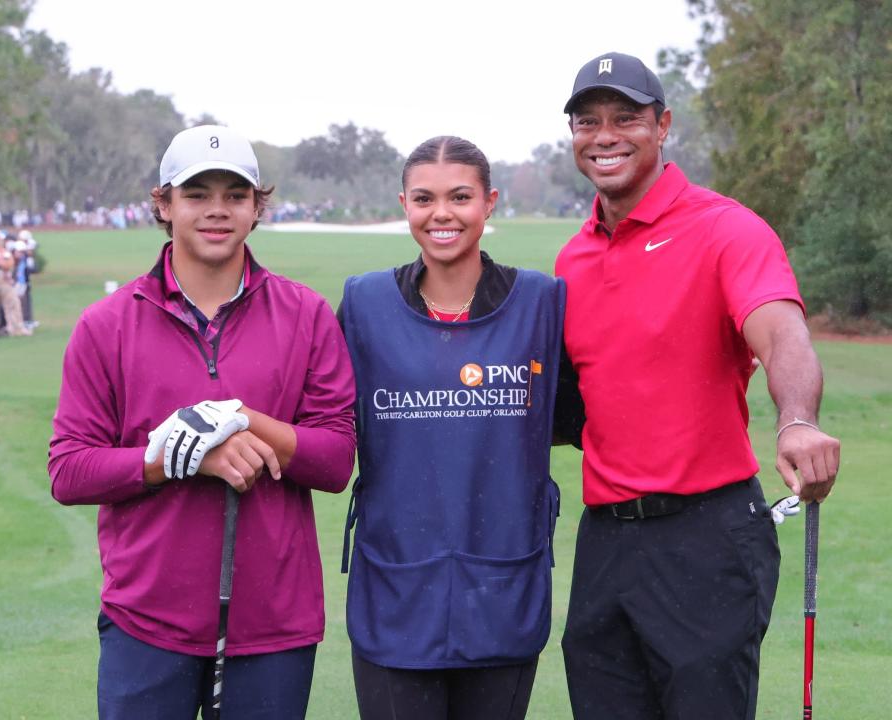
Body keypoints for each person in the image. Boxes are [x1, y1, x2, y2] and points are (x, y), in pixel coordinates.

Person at [553, 52, 841, 720]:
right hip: (605, 542)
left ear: (663, 126)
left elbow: (781, 332)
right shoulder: (573, 258)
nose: (605, 135)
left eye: (625, 118)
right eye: (587, 121)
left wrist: (796, 418)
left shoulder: (726, 229)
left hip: (707, 538)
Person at [48, 124, 356, 720]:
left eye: (236, 195)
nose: (217, 211)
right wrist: (176, 458)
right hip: (146, 621)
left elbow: (335, 460)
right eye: (196, 194)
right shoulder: (107, 324)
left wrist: (244, 420)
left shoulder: (306, 314)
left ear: (256, 207)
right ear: (163, 204)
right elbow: (69, 470)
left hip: (273, 625)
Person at [339, 136, 573, 719]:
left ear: (489, 202)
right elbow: (324, 423)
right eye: (424, 198)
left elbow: (581, 415)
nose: (442, 213)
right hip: (395, 592)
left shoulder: (542, 303)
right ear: (404, 204)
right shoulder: (364, 304)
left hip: (504, 588)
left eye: (460, 196)